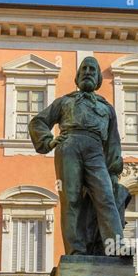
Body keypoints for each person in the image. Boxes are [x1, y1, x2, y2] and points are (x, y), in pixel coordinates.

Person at [29, 56, 126, 256]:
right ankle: (76, 251)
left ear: (99, 77)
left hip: (95, 149)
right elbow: (38, 122)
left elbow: (113, 143)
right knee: (71, 199)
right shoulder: (65, 101)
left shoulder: (107, 109)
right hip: (69, 146)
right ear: (78, 76)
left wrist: (113, 170)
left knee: (106, 196)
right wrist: (49, 141)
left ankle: (116, 246)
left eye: (92, 69)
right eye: (84, 69)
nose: (88, 72)